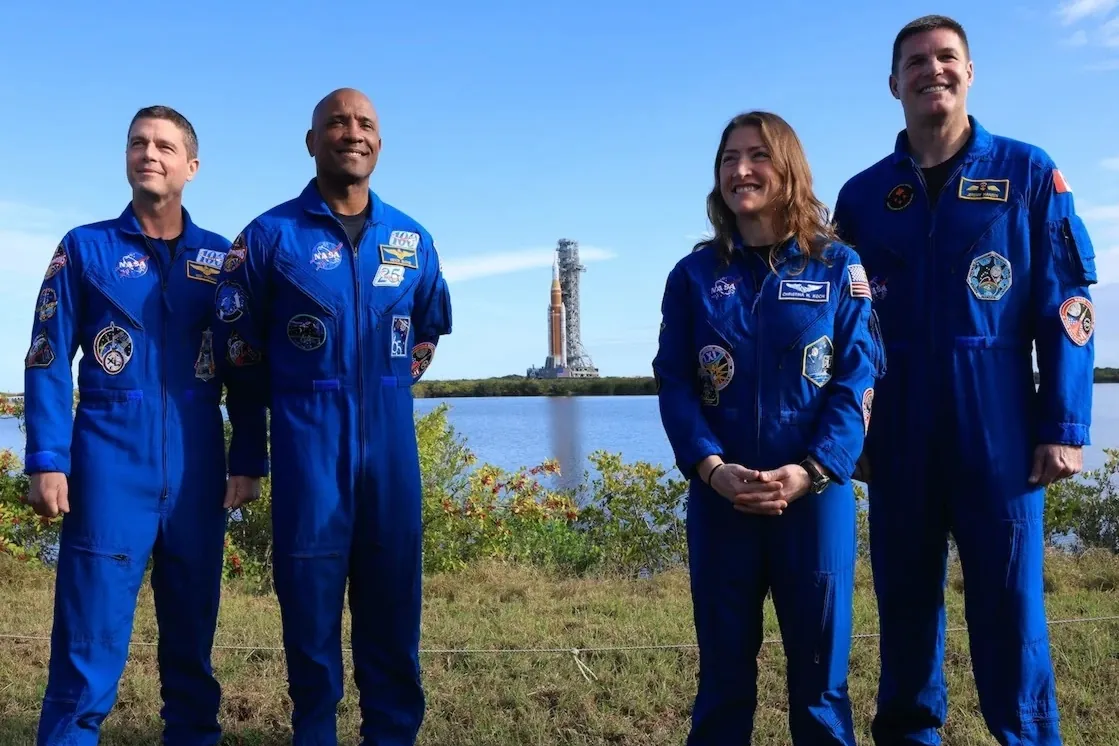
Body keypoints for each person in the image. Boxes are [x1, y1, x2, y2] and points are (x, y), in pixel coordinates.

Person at [832, 14, 1097, 746]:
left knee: (1011, 610)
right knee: (904, 608)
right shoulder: (861, 198)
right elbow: (840, 329)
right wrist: (850, 432)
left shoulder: (1028, 173)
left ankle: (1027, 737)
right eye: (915, 62)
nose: (933, 70)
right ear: (893, 84)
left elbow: (1068, 307)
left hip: (998, 427)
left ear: (970, 72)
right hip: (898, 432)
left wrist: (1063, 425)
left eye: (946, 57)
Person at [210, 87, 452, 746]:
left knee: (394, 619)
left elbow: (427, 328)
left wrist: (383, 387)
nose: (353, 132)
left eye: (365, 123)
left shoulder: (411, 238)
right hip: (308, 454)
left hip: (390, 459)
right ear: (312, 141)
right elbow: (237, 351)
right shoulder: (268, 238)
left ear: (379, 142)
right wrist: (254, 449)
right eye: (337, 123)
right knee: (310, 625)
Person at [22, 105, 268, 745]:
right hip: (109, 468)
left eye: (164, 145)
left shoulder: (223, 259)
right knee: (87, 649)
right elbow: (47, 357)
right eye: (138, 143)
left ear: (192, 166)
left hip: (197, 470)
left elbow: (244, 365)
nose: (149, 153)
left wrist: (248, 458)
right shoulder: (85, 249)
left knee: (191, 650)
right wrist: (48, 458)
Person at [653, 110, 886, 745]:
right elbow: (674, 382)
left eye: (757, 155)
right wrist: (712, 468)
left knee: (820, 685)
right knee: (723, 681)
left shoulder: (837, 267)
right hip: (721, 501)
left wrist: (812, 470)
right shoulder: (694, 276)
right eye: (729, 159)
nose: (741, 170)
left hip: (813, 500)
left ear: (788, 168)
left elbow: (858, 378)